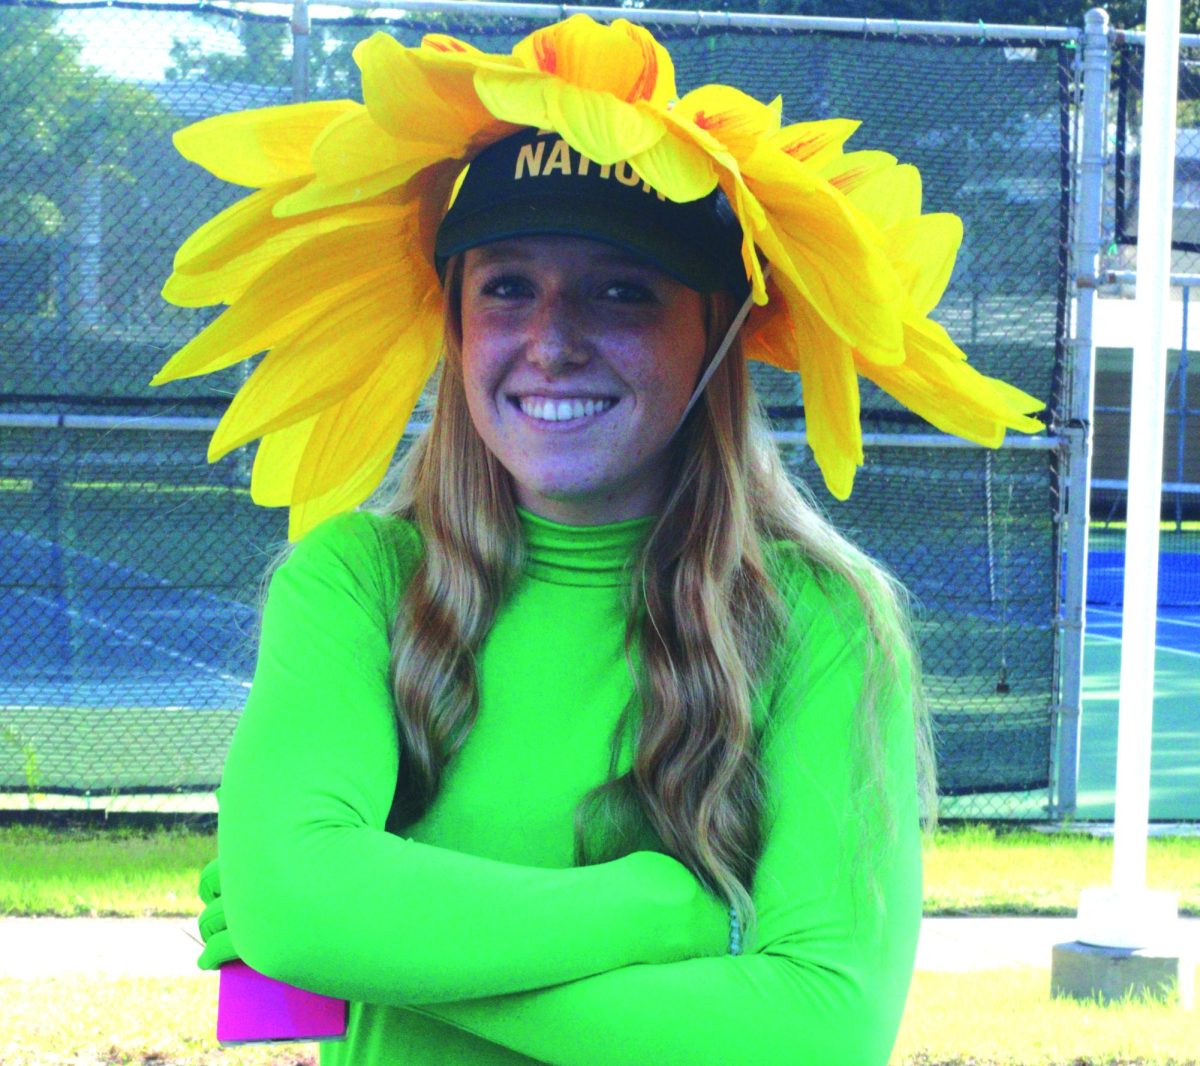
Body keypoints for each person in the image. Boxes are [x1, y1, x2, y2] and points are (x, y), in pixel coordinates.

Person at [156, 15, 1044, 1064]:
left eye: (623, 290)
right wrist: (663, 908)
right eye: (507, 287)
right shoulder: (356, 581)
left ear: (716, 333)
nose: (553, 339)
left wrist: (373, 958)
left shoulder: (819, 621)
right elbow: (299, 907)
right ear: (453, 319)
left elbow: (821, 1033)